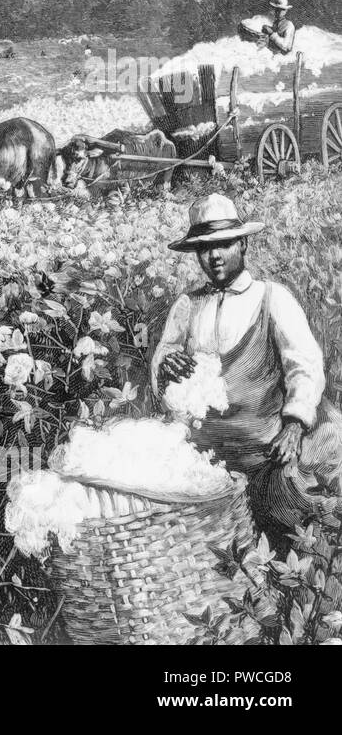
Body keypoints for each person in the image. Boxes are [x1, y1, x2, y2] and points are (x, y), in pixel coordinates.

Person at [152, 194, 341, 541]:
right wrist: (165, 364)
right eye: (204, 249)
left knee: (291, 520)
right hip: (206, 460)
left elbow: (305, 364)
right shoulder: (186, 306)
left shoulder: (272, 297)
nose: (214, 256)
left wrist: (295, 424)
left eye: (223, 245)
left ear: (243, 244)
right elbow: (164, 357)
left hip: (265, 450)